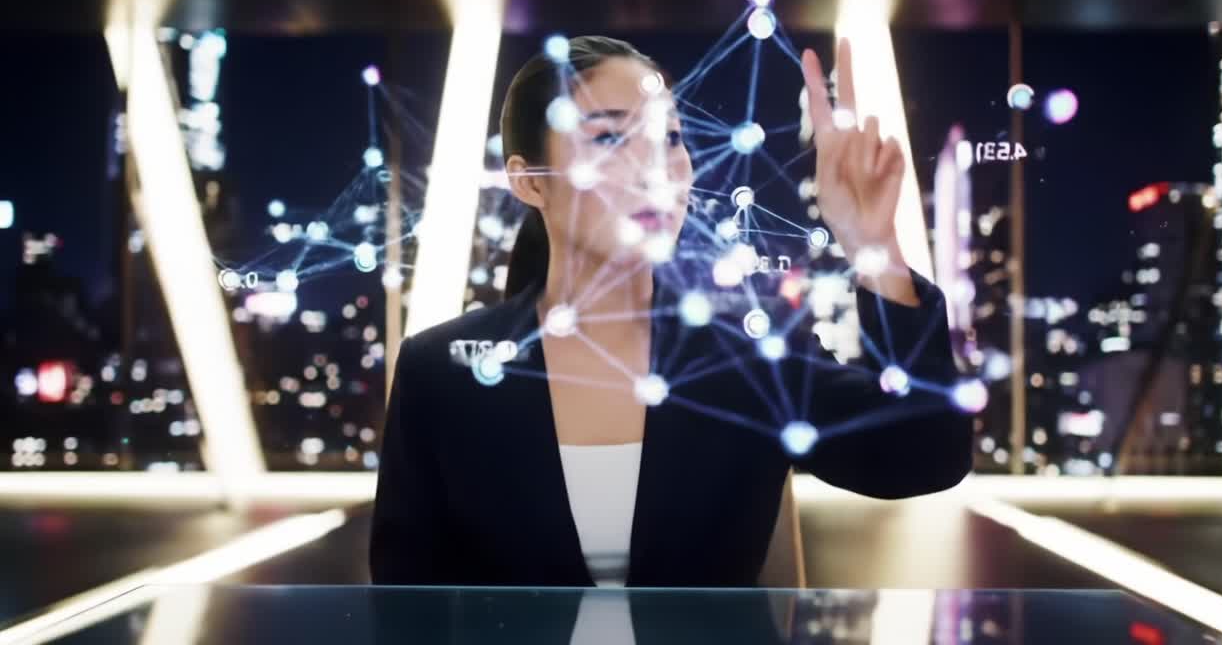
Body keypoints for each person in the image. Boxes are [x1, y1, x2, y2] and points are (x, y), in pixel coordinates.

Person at [369, 35, 973, 588]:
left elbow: (925, 452)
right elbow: (403, 599)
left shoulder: (746, 363)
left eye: (671, 138)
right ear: (530, 182)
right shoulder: (439, 372)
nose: (655, 167)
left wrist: (873, 247)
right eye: (608, 138)